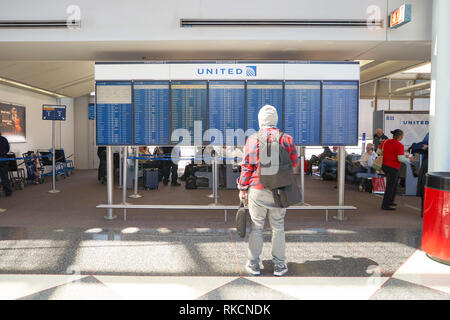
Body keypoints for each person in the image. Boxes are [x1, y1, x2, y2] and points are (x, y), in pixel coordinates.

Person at [238, 105, 298, 277]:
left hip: (257, 188)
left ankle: (254, 265)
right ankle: (279, 265)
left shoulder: (253, 139)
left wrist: (242, 188)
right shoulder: (287, 139)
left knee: (256, 227)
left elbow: (246, 167)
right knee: (278, 227)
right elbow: (294, 163)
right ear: (275, 119)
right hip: (280, 190)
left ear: (260, 120)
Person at [379, 129, 412, 210]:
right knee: (390, 186)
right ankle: (385, 205)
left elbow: (378, 152)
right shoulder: (400, 145)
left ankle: (390, 202)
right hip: (393, 167)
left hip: (384, 166)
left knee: (393, 185)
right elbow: (400, 159)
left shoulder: (385, 142)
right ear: (400, 136)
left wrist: (388, 154)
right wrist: (409, 160)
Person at [410, 133, 429, 217]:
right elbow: (418, 147)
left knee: (425, 187)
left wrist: (427, 147)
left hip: (427, 164)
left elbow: (417, 147)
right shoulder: (430, 134)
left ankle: (424, 212)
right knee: (425, 188)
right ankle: (425, 212)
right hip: (428, 164)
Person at [0, 132, 12, 196]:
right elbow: (7, 149)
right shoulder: (4, 139)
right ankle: (8, 192)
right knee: (4, 176)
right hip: (4, 159)